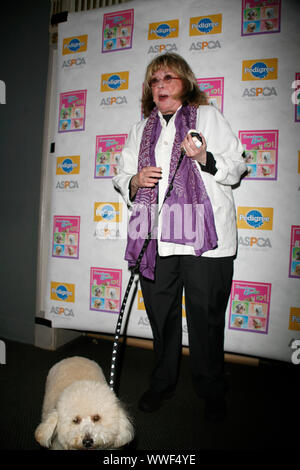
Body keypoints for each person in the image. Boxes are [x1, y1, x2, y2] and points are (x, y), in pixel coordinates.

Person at [113, 53, 246, 422]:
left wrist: (205, 157)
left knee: (205, 319)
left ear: (185, 83)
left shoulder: (208, 117)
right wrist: (134, 180)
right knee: (161, 316)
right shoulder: (141, 130)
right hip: (153, 235)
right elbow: (121, 176)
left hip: (203, 236)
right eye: (154, 81)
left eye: (168, 77)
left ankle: (211, 388)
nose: (160, 86)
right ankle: (162, 383)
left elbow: (237, 165)